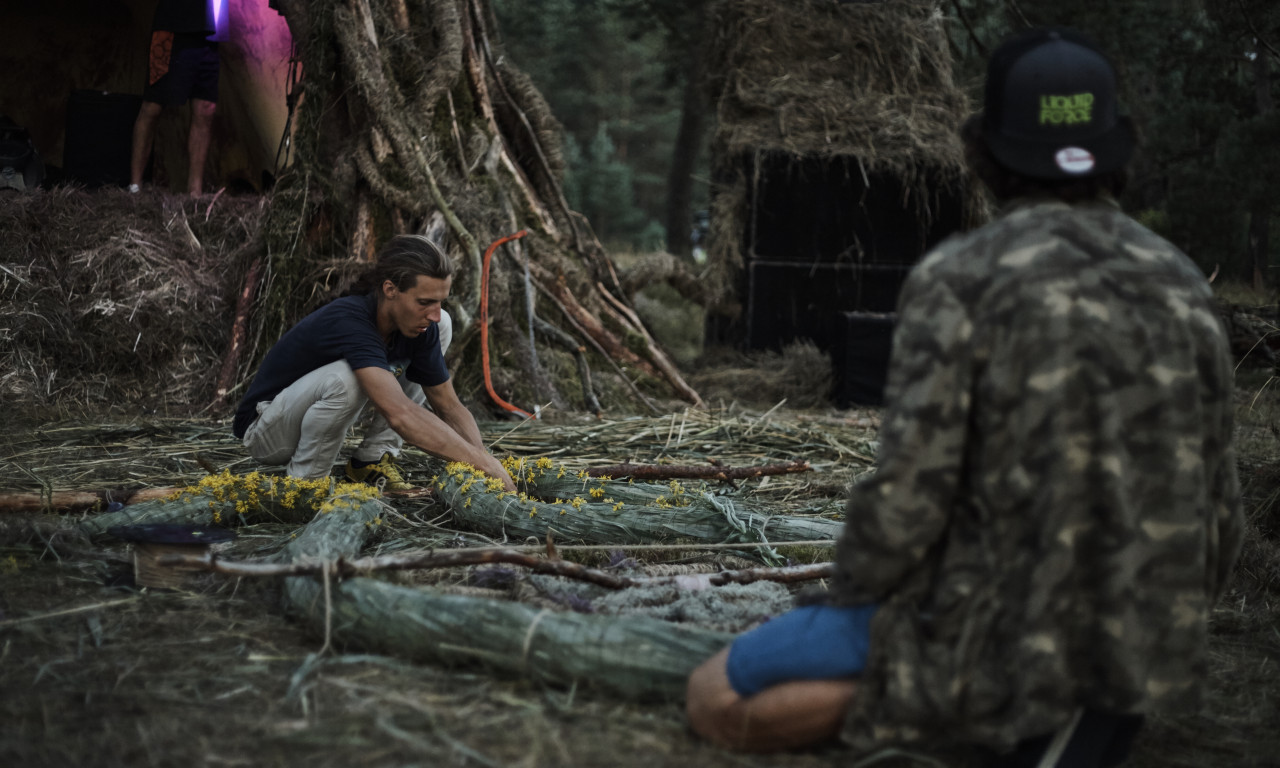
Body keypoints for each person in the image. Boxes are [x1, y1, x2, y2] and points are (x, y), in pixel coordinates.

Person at [686, 27, 1243, 766]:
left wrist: (853, 597)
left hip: (1000, 635)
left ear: (983, 151)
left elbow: (909, 496)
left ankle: (955, 712)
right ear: (1118, 149)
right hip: (1144, 643)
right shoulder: (1183, 284)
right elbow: (1222, 507)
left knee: (716, 694)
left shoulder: (963, 277)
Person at [233, 235, 516, 493]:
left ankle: (370, 462)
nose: (433, 313)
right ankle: (305, 489)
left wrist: (486, 462)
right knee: (346, 379)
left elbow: (448, 406)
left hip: (314, 415)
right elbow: (401, 414)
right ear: (390, 289)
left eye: (440, 301)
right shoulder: (351, 320)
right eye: (424, 302)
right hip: (266, 431)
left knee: (443, 325)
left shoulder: (419, 323)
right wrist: (483, 464)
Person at [128, 0, 226, 198]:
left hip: (210, 28)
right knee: (153, 106)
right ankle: (135, 187)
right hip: (172, 26)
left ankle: (195, 193)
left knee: (205, 107)